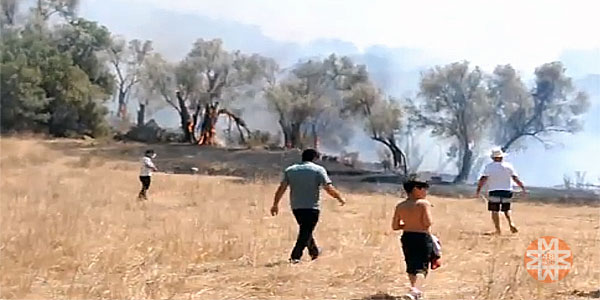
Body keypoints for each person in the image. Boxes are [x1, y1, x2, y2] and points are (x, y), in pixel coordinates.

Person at [270, 149, 346, 264]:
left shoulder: (290, 170)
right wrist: (339, 197)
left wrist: (275, 204)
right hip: (312, 207)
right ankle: (295, 256)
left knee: (306, 230)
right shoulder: (318, 170)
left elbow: (282, 188)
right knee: (305, 231)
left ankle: (314, 252)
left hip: (296, 206)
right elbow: (328, 187)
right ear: (314, 158)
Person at [392, 178, 434, 300]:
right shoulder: (423, 204)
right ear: (416, 189)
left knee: (411, 265)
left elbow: (395, 226)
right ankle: (415, 291)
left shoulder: (400, 205)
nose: (426, 191)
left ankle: (414, 292)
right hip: (422, 237)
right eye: (423, 188)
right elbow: (427, 223)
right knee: (421, 267)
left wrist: (408, 224)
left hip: (407, 236)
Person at [476, 148, 526, 234]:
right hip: (507, 190)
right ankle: (511, 223)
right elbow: (515, 178)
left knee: (494, 211)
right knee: (506, 210)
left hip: (494, 190)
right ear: (502, 157)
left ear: (493, 158)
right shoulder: (508, 166)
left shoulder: (489, 167)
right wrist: (522, 187)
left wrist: (478, 189)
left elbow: (483, 179)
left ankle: (498, 230)